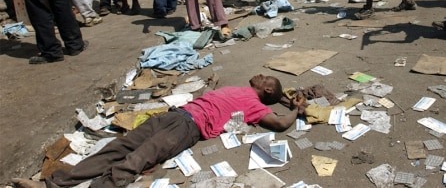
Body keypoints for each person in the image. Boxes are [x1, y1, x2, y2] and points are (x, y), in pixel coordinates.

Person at [12, 74, 307, 188]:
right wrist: (287, 98)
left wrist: (297, 110)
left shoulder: (255, 104)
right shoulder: (251, 91)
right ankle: (54, 183)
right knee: (118, 147)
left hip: (188, 127)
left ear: (265, 88)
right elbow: (276, 95)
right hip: (175, 115)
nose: (259, 73)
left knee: (138, 158)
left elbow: (280, 123)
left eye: (266, 78)